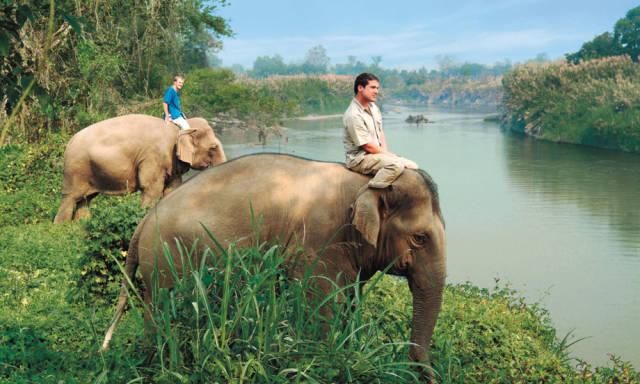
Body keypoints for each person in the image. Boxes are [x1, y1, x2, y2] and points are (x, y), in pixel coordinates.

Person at [343, 73, 418, 188]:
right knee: (395, 165)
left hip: (376, 154)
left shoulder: (373, 108)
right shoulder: (353, 114)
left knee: (413, 166)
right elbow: (367, 146)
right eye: (372, 87)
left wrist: (386, 154)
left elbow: (380, 132)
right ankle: (367, 193)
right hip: (360, 159)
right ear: (360, 88)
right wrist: (390, 156)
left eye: (377, 88)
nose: (376, 91)